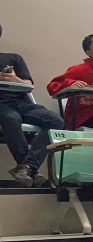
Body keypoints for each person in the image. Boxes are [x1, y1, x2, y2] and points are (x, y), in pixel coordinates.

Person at [0, 23, 63, 187]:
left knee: (56, 121)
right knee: (10, 119)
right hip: (2, 105)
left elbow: (28, 84)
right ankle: (30, 169)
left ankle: (27, 167)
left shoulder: (14, 58)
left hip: (22, 103)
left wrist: (15, 79)